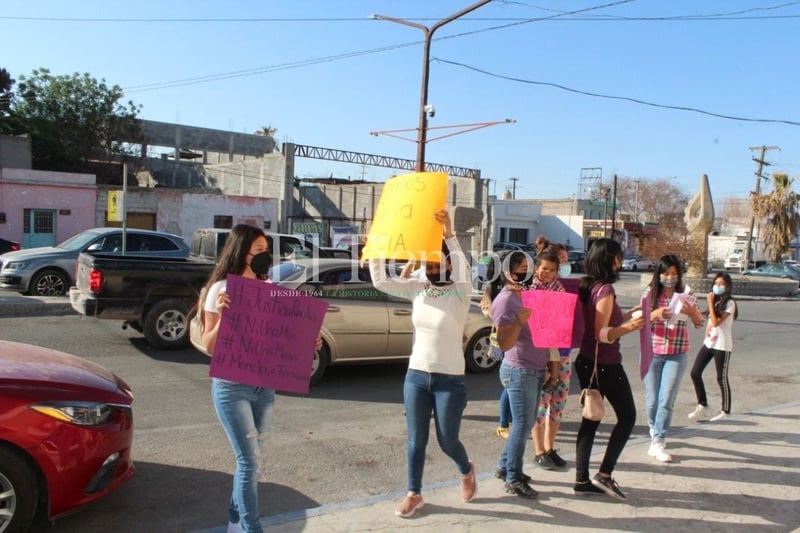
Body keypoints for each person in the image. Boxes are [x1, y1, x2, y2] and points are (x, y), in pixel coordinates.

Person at [369, 209, 477, 518]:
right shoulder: (419, 289)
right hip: (416, 376)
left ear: (446, 263)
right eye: (427, 263)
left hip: (450, 380)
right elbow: (380, 281)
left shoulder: (460, 292)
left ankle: (466, 469)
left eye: (436, 262)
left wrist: (449, 235)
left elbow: (463, 270)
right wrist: (377, 244)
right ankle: (414, 493)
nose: (431, 268)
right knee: (416, 440)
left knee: (447, 440)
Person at [199, 224, 275, 533]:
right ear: (242, 252)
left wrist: (306, 342)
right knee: (249, 462)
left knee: (254, 459)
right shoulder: (220, 291)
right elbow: (209, 345)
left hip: (264, 387)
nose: (264, 255)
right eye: (258, 250)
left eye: (267, 250)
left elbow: (275, 339)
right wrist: (226, 317)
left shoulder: (267, 287)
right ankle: (250, 528)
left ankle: (234, 519)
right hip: (232, 387)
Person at [574, 238, 644, 500]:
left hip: (587, 361)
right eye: (618, 255)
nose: (621, 260)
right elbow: (602, 333)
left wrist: (633, 313)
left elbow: (603, 321)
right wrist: (630, 327)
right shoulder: (605, 290)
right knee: (627, 418)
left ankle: (581, 479)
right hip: (604, 364)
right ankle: (604, 474)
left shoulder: (591, 286)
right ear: (610, 259)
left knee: (590, 420)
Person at [493, 249, 547, 498]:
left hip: (534, 367)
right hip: (518, 369)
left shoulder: (525, 294)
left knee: (524, 424)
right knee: (522, 426)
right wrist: (519, 323)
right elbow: (502, 342)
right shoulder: (504, 300)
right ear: (507, 272)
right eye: (520, 268)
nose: (526, 272)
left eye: (528, 267)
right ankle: (513, 477)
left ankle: (505, 467)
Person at [642, 254, 705, 463]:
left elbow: (699, 322)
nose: (670, 277)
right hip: (652, 352)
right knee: (652, 400)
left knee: (666, 399)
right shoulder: (649, 294)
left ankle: (658, 440)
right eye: (666, 273)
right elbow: (639, 321)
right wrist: (656, 314)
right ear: (659, 274)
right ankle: (654, 428)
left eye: (674, 274)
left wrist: (692, 313)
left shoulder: (686, 294)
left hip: (677, 353)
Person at [531, 237, 573, 470]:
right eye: (544, 269)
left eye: (553, 270)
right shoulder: (529, 289)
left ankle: (550, 448)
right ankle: (538, 451)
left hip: (563, 353)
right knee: (540, 404)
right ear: (537, 269)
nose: (548, 274)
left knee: (558, 403)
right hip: (541, 357)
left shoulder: (561, 288)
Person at [689, 272, 738, 422]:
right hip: (710, 343)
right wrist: (705, 337)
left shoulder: (730, 303)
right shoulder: (716, 302)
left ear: (727, 286)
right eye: (716, 283)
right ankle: (702, 404)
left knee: (721, 378)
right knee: (695, 372)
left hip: (722, 345)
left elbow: (717, 321)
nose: (718, 287)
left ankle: (726, 411)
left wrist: (709, 301)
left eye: (721, 284)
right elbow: (710, 323)